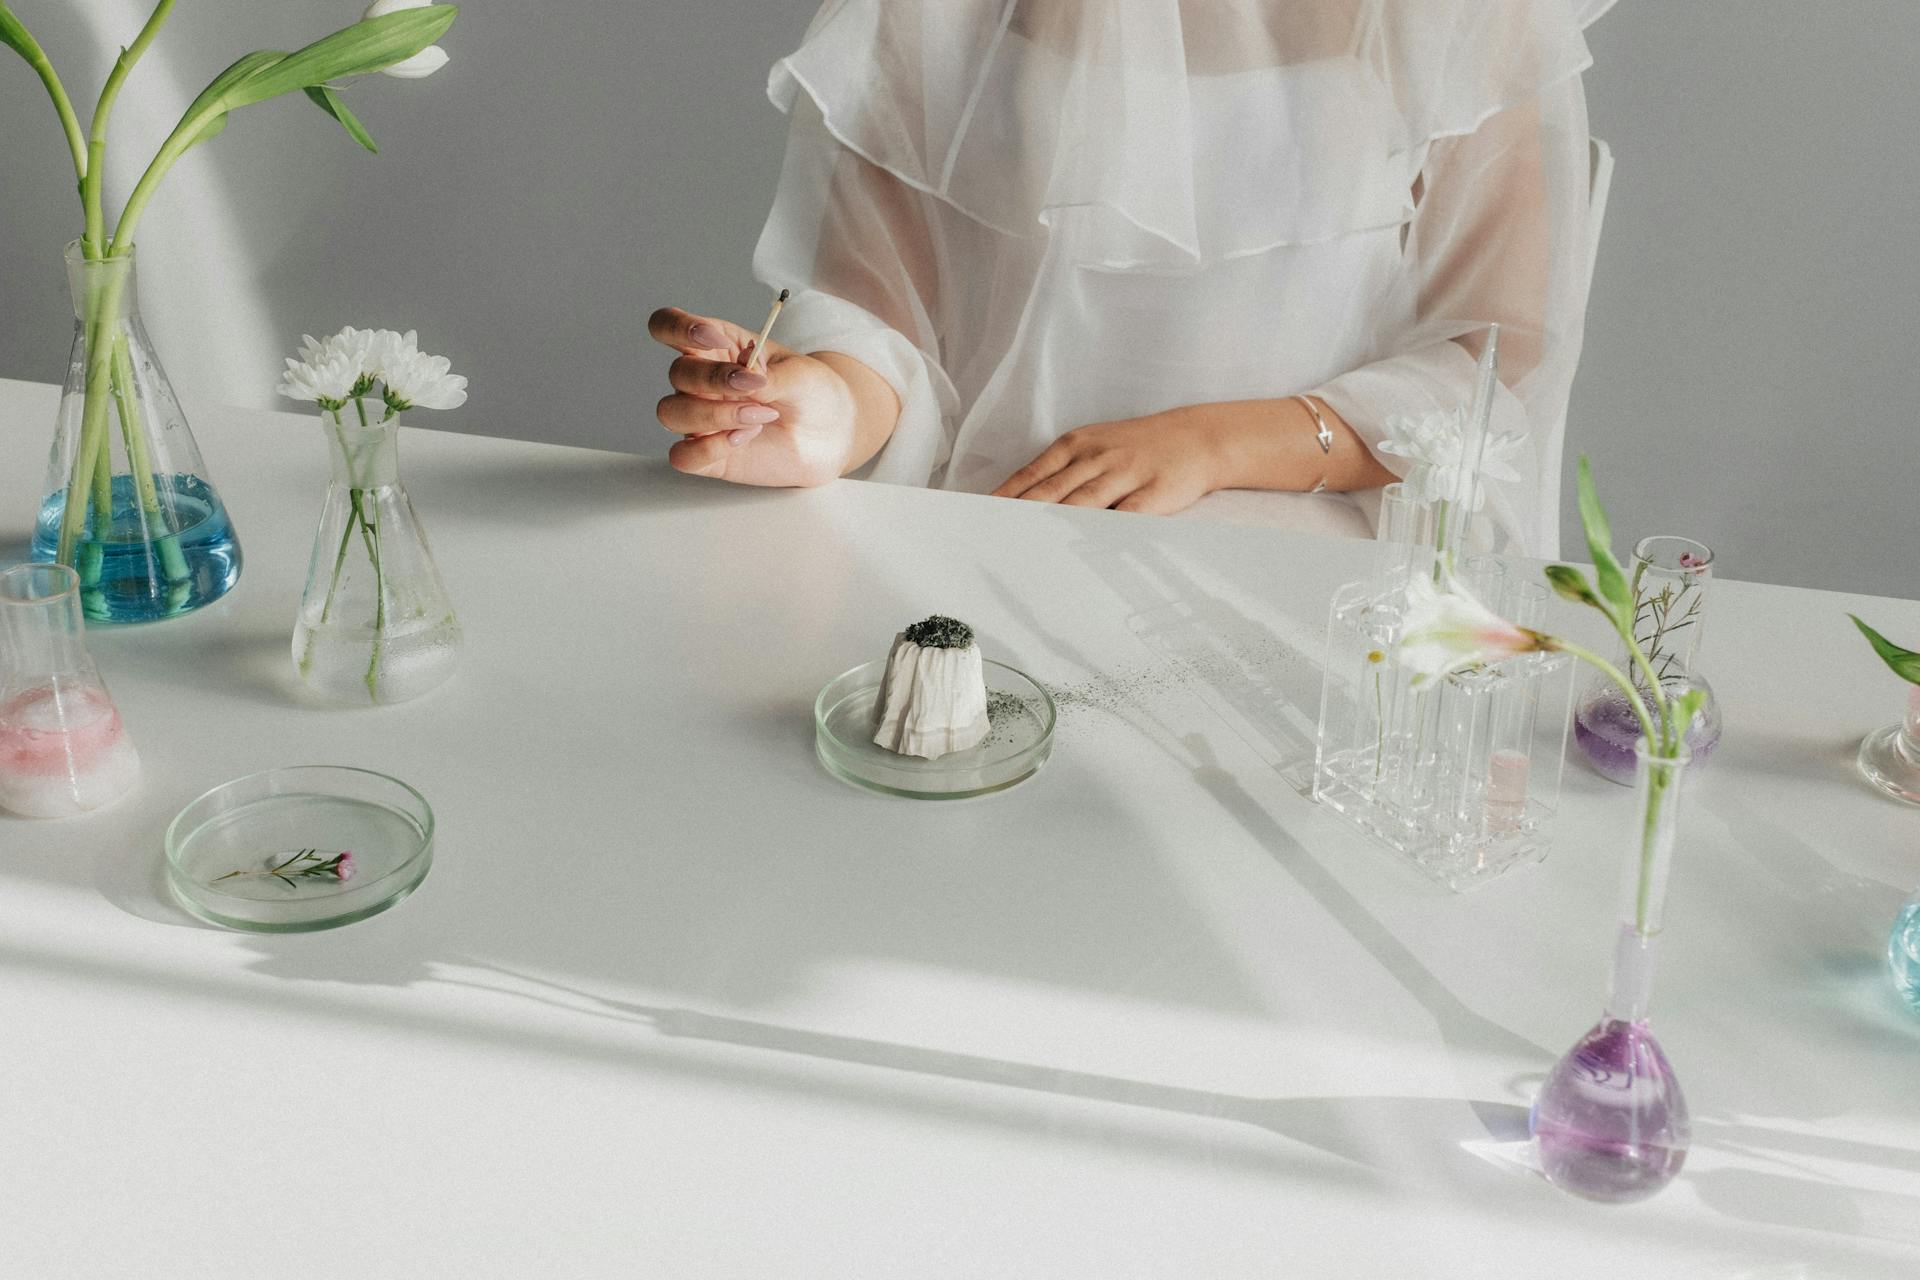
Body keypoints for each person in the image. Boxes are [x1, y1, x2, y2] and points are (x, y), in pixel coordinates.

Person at [652, 0, 1612, 556]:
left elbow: (1492, 368)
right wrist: (823, 407)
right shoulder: (934, 10)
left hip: (1312, 554)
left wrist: (1212, 444)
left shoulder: (1462, 16)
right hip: (1009, 532)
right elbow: (883, 317)